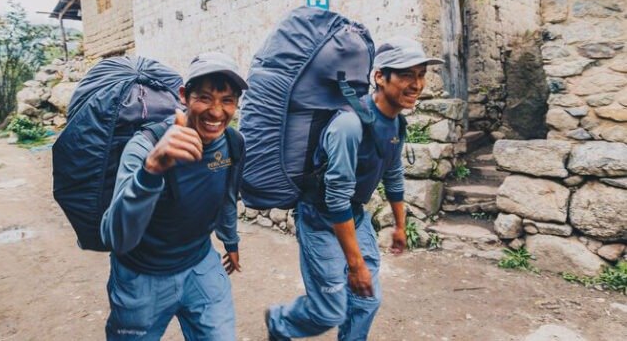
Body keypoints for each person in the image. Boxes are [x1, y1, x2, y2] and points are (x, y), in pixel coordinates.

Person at [265, 36, 444, 340]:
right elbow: (335, 199)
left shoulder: (396, 123)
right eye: (405, 74)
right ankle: (280, 321)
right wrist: (355, 264)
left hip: (354, 216)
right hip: (319, 219)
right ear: (379, 77)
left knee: (367, 299)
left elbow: (394, 173)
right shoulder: (349, 125)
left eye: (421, 74)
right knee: (328, 311)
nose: (416, 84)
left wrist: (400, 226)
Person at [101, 52, 249, 340]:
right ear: (184, 96)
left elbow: (227, 196)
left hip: (200, 263)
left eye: (227, 100)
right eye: (204, 97)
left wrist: (230, 240)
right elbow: (115, 238)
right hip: (142, 278)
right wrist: (151, 170)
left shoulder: (233, 142)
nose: (217, 112)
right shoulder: (144, 147)